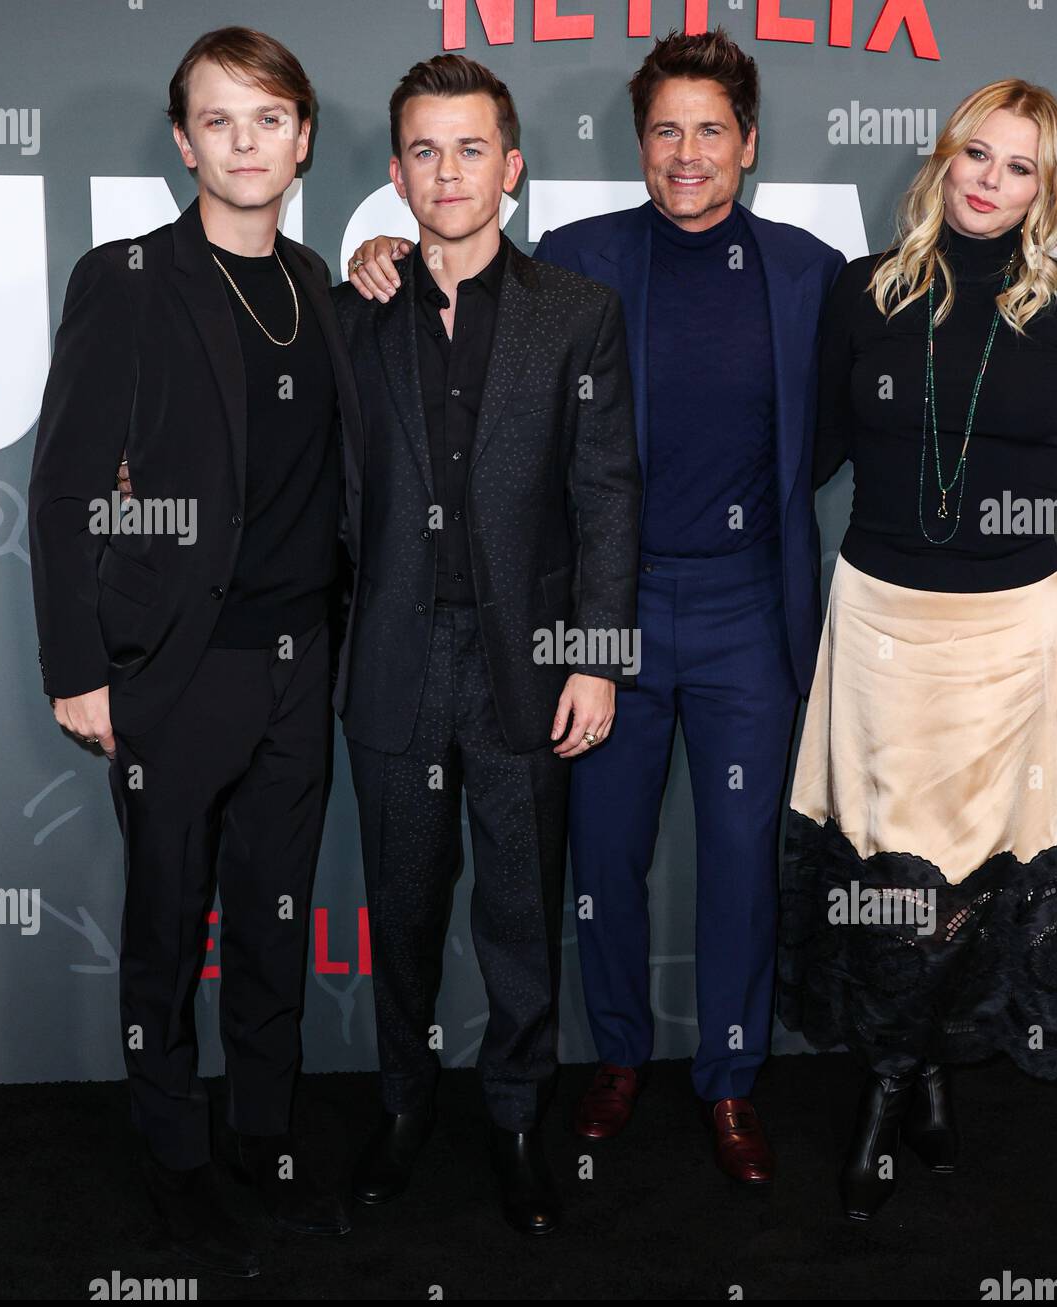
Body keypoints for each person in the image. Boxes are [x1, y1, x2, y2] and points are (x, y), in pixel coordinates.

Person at [346, 28, 843, 1186]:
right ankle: (617, 1057)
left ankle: (726, 1081)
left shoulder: (807, 272)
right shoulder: (576, 260)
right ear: (638, 144)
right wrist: (379, 254)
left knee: (736, 858)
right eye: (664, 129)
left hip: (739, 614)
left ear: (748, 144)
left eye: (709, 130)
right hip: (592, 620)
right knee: (600, 860)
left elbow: (821, 441)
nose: (685, 152)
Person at [28, 27, 357, 1276]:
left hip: (297, 657)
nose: (244, 143)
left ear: (303, 137)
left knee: (273, 924)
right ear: (183, 142)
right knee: (171, 925)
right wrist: (77, 667)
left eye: (267, 119)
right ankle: (172, 1160)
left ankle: (263, 1145)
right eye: (218, 122)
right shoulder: (127, 278)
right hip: (176, 667)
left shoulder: (320, 283)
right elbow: (63, 496)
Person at [780, 78, 1057, 1221]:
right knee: (894, 877)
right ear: (940, 159)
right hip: (881, 625)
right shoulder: (863, 293)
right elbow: (810, 452)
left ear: (1047, 187)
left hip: (1013, 634)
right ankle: (907, 1078)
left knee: (978, 877)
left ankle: (898, 1087)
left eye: (1017, 166)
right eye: (975, 154)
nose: (988, 180)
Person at [332, 54, 641, 1235]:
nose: (447, 171)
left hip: (530, 658)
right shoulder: (353, 310)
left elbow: (607, 491)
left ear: (511, 168)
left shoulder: (577, 315)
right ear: (398, 172)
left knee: (520, 909)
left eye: (470, 148)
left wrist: (597, 653)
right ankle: (404, 1104)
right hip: (394, 663)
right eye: (423, 149)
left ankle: (516, 1114)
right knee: (402, 910)